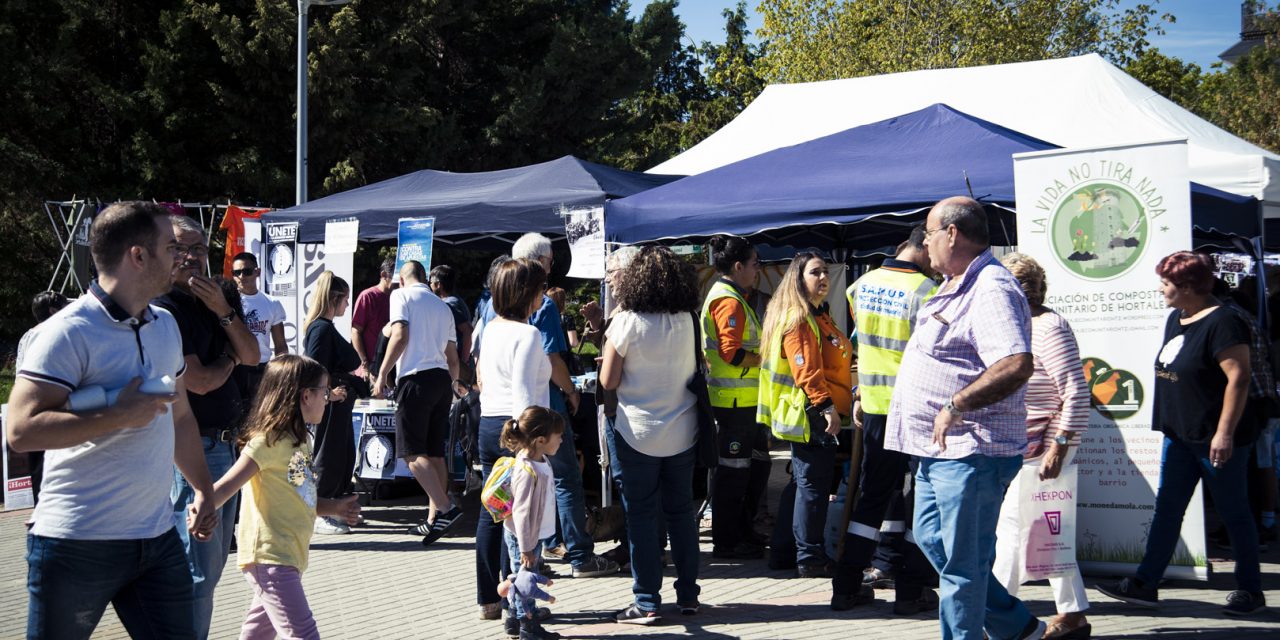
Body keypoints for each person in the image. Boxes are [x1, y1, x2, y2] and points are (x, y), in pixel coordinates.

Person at [9, 201, 217, 639]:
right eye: (171, 247)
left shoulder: (165, 324)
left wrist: (203, 488)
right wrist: (117, 415)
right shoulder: (68, 331)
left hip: (157, 538)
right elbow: (21, 430)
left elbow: (180, 416)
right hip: (76, 542)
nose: (182, 257)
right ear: (137, 256)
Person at [885, 196, 1041, 639]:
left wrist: (957, 405)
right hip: (938, 450)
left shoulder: (990, 288)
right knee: (934, 541)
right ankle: (1016, 627)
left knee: (962, 565)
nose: (925, 243)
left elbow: (1015, 363)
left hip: (972, 449)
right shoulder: (957, 283)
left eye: (930, 233)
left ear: (952, 234)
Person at [1096, 251, 1266, 616]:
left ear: (1188, 286)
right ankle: (1145, 584)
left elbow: (1238, 378)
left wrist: (1224, 433)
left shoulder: (1225, 322)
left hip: (1215, 439)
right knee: (1168, 510)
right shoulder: (1178, 317)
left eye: (1166, 283)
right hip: (1180, 435)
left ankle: (1251, 590)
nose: (1160, 289)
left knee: (1234, 512)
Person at [155, 213, 260, 639]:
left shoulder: (215, 299)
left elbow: (253, 354)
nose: (191, 257)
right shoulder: (164, 308)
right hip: (194, 450)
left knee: (210, 568)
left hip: (225, 444)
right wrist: (230, 358)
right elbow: (198, 381)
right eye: (180, 248)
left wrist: (223, 311)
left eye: (199, 249)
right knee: (196, 570)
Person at [203, 354, 361, 640]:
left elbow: (302, 496)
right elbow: (226, 487)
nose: (327, 399)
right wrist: (199, 510)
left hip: (289, 555)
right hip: (270, 556)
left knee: (258, 633)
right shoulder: (267, 442)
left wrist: (336, 507)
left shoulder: (300, 441)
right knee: (304, 634)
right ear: (305, 396)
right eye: (325, 392)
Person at [832, 227, 939, 613]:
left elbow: (861, 344)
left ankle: (846, 585)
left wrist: (860, 392)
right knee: (920, 496)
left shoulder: (861, 285)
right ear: (923, 247)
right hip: (914, 408)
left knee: (872, 497)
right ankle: (911, 590)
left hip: (876, 406)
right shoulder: (927, 292)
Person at [599, 245, 702, 625]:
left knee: (641, 517)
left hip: (636, 432)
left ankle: (646, 601)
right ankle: (688, 596)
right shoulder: (689, 318)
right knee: (682, 515)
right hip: (683, 430)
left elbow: (608, 380)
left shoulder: (626, 321)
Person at [992, 253, 1091, 639]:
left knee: (1016, 529)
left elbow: (1075, 393)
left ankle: (995, 616)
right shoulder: (1017, 326)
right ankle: (1072, 614)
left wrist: (1058, 447)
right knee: (1044, 532)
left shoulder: (1049, 328)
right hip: (1026, 446)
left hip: (1047, 448)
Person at [507, 233, 617, 578]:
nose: (552, 267)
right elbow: (553, 358)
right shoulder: (543, 304)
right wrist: (571, 391)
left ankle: (535, 553)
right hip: (546, 407)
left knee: (523, 481)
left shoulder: (497, 303)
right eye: (551, 261)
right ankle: (580, 555)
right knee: (565, 477)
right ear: (541, 262)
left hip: (510, 408)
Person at [758, 251, 853, 579]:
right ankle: (810, 557)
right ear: (798, 280)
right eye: (815, 272)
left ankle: (784, 552)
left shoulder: (817, 314)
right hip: (810, 412)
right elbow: (807, 372)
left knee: (801, 484)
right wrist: (827, 408)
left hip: (809, 410)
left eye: (825, 271)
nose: (823, 277)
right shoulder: (800, 319)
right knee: (813, 487)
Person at [474, 258, 553, 628]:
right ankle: (519, 606)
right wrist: (530, 445)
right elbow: (523, 392)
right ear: (528, 294)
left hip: (491, 422)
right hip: (518, 428)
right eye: (540, 289)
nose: (543, 296)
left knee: (493, 510)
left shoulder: (491, 328)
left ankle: (491, 598)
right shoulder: (528, 334)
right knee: (519, 518)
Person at [372, 260, 463, 545]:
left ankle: (446, 508)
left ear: (401, 279)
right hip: (441, 381)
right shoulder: (443, 306)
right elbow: (453, 357)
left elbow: (400, 335)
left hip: (414, 380)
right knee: (434, 452)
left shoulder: (401, 295)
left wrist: (382, 374)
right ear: (425, 278)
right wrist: (453, 386)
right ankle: (435, 519)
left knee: (411, 454)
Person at [699, 235, 771, 559]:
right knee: (734, 473)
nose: (758, 270)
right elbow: (731, 353)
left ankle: (741, 532)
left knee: (750, 470)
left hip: (741, 400)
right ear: (738, 266)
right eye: (755, 264)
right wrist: (764, 358)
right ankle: (727, 541)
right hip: (734, 402)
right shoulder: (728, 300)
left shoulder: (731, 296)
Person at [497, 406, 566, 640]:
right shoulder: (527, 470)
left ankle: (513, 621)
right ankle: (529, 627)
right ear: (540, 440)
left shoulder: (539, 459)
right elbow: (522, 513)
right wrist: (526, 548)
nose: (561, 440)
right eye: (558, 436)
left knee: (522, 579)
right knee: (526, 583)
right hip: (524, 538)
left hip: (531, 536)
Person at [302, 271, 361, 535]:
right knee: (328, 454)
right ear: (334, 298)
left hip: (338, 402)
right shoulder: (321, 328)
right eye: (346, 299)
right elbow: (313, 366)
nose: (348, 304)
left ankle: (335, 507)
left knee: (343, 454)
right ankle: (321, 512)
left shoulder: (325, 327)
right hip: (330, 403)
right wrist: (327, 394)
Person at [15, 290, 70, 506]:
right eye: (64, 306)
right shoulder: (54, 333)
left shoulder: (27, 336)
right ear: (53, 311)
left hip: (29, 407)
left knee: (38, 463)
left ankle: (40, 508)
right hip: (54, 405)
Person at [230, 252, 288, 399]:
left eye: (247, 271)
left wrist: (283, 372)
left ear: (258, 272)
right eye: (237, 272)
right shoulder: (227, 303)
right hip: (235, 367)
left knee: (262, 411)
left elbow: (280, 344)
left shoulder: (272, 303)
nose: (241, 276)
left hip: (262, 369)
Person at [352, 257, 395, 381]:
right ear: (384, 275)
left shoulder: (400, 298)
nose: (399, 282)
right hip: (371, 371)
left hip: (392, 370)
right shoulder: (367, 296)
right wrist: (365, 364)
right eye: (395, 277)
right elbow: (355, 332)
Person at [430, 264, 475, 368]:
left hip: (456, 362)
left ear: (438, 285)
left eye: (431, 282)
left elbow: (468, 331)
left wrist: (463, 362)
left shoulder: (449, 304)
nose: (430, 285)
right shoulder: (456, 300)